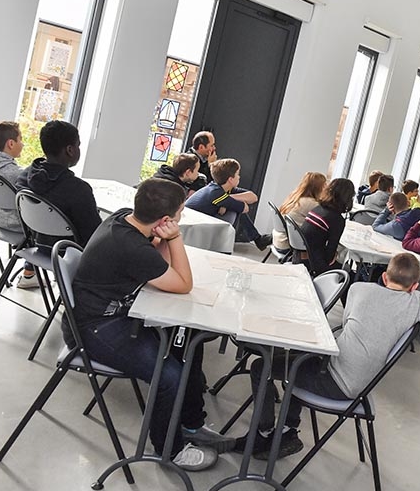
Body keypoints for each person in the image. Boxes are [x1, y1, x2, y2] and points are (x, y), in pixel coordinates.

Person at [69, 178, 232, 471]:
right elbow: (183, 283)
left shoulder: (123, 218)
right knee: (169, 375)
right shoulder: (130, 245)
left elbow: (158, 264)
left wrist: (162, 241)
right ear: (167, 219)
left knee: (188, 338)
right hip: (94, 328)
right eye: (180, 211)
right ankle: (169, 450)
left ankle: (191, 423)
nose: (181, 217)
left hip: (112, 312)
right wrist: (175, 239)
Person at [230, 253, 420, 460]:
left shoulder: (359, 289)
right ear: (415, 286)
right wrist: (417, 302)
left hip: (336, 380)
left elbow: (347, 322)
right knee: (299, 360)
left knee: (262, 367)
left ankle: (263, 434)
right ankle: (287, 431)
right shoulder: (417, 304)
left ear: (384, 277)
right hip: (356, 382)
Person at [17, 120, 101, 247]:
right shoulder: (78, 189)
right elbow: (93, 235)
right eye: (78, 145)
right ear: (70, 150)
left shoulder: (24, 177)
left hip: (35, 243)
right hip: (66, 252)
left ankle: (29, 266)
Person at [0, 121, 39, 288]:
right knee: (49, 222)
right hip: (19, 226)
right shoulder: (14, 174)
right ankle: (30, 273)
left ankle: (30, 272)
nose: (23, 143)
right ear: (11, 144)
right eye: (21, 139)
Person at [184, 159, 272, 251]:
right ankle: (255, 240)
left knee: (232, 208)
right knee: (235, 210)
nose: (239, 177)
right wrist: (228, 200)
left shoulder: (223, 189)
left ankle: (257, 239)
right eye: (237, 174)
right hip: (189, 228)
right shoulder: (215, 193)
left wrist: (228, 198)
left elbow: (253, 197)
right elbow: (245, 208)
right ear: (230, 179)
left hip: (200, 224)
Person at [300, 178, 354, 275]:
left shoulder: (317, 209)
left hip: (300, 256)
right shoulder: (337, 220)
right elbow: (330, 251)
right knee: (349, 273)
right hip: (314, 264)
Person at [273, 171, 327, 252]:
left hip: (279, 240)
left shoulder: (295, 197)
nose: (326, 188)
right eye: (325, 185)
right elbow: (327, 219)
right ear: (319, 187)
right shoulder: (311, 204)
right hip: (290, 246)